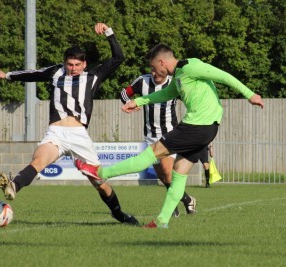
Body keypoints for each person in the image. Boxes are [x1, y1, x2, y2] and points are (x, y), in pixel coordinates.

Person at [76, 43, 264, 228]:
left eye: (153, 67)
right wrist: (138, 101)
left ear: (161, 62)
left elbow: (223, 76)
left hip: (196, 126)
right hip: (206, 129)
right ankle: (162, 221)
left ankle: (101, 173)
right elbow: (166, 94)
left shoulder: (192, 66)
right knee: (179, 174)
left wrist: (250, 95)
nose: (153, 71)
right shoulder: (180, 75)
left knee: (150, 154)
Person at [0, 23, 139, 226]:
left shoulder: (93, 77)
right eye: (70, 64)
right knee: (38, 161)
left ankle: (119, 214)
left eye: (77, 65)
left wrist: (109, 33)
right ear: (64, 63)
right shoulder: (55, 73)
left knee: (99, 183)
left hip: (79, 135)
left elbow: (118, 58)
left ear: (85, 64)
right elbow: (32, 74)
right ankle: (13, 186)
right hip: (56, 132)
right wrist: (7, 75)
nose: (73, 69)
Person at [120, 72, 196, 216]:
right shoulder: (143, 81)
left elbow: (190, 99)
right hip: (150, 135)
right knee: (162, 175)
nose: (156, 74)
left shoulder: (175, 83)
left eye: (159, 71)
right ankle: (187, 199)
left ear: (166, 69)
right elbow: (125, 92)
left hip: (169, 133)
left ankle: (172, 206)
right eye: (153, 70)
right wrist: (128, 103)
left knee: (167, 171)